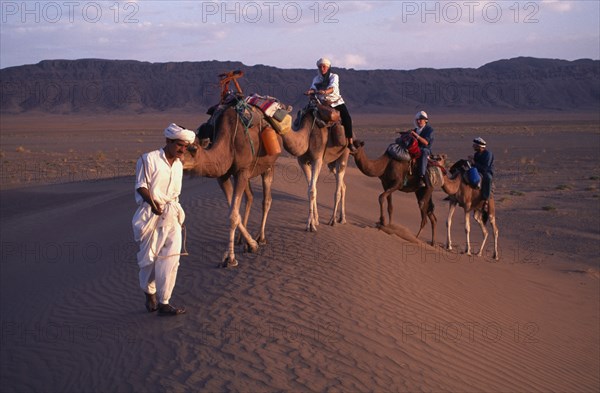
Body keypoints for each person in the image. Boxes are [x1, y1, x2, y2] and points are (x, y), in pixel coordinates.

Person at [132, 123, 196, 316]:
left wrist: (175, 213)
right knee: (149, 260)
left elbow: (175, 193)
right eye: (179, 145)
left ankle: (164, 301)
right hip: (150, 215)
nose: (182, 149)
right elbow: (141, 186)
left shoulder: (179, 164)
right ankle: (149, 292)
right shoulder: (148, 159)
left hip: (172, 214)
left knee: (171, 258)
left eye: (185, 146)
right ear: (168, 141)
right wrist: (152, 203)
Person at [306, 57, 355, 152]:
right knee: (306, 115)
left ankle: (350, 142)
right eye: (320, 67)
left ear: (328, 67)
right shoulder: (316, 79)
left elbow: (332, 88)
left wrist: (324, 91)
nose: (322, 69)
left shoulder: (334, 76)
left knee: (347, 118)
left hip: (336, 102)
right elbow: (313, 88)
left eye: (324, 66)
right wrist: (310, 92)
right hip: (322, 104)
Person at [411, 111, 434, 187]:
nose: (418, 121)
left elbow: (426, 142)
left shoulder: (429, 130)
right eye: (417, 119)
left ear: (426, 120)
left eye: (420, 119)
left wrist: (416, 135)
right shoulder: (415, 130)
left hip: (425, 150)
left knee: (423, 152)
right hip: (416, 149)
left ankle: (422, 176)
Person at [470, 136, 494, 209]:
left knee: (488, 178)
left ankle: (486, 199)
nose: (473, 146)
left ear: (479, 146)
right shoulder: (476, 154)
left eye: (474, 145)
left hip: (486, 171)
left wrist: (474, 163)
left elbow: (485, 167)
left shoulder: (488, 154)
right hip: (477, 170)